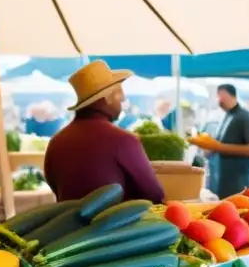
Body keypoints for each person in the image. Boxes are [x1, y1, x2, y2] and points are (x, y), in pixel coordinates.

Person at [44, 60, 164, 203]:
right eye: (119, 92)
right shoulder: (123, 140)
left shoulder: (56, 143)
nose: (123, 98)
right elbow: (155, 194)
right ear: (107, 97)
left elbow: (56, 188)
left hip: (67, 225)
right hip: (116, 224)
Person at [196, 84, 249, 198]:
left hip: (238, 185)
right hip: (220, 184)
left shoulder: (247, 118)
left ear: (232, 96)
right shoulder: (226, 116)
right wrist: (208, 147)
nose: (219, 101)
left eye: (221, 96)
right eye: (217, 97)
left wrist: (217, 147)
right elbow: (219, 145)